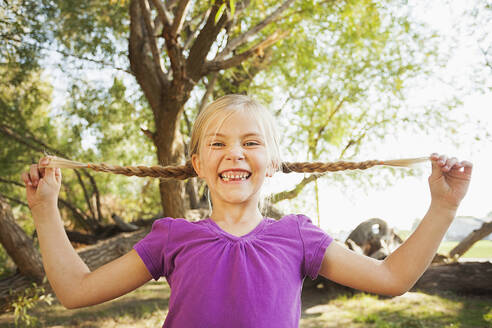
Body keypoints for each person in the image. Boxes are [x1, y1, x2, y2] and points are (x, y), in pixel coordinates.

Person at [21, 95, 472, 328]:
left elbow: (391, 278)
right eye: (217, 144)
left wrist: (443, 209)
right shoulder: (171, 237)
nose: (234, 154)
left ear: (272, 162)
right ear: (198, 164)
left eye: (251, 143)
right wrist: (44, 211)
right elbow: (76, 291)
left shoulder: (298, 237)